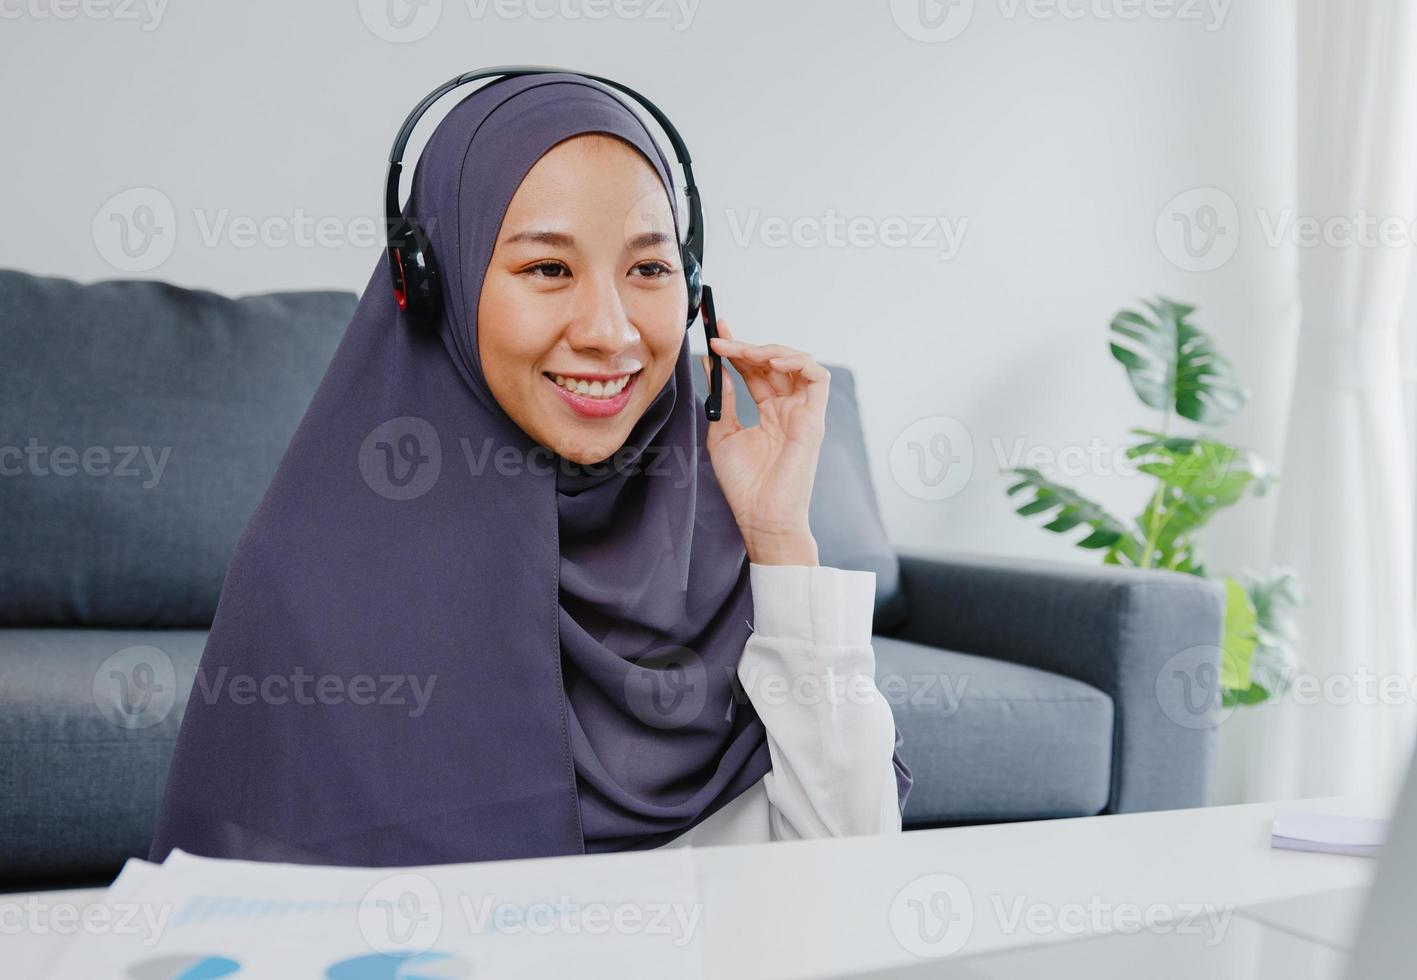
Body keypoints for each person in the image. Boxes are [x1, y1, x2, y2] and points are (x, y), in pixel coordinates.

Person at [147, 72, 911, 865]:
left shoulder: (730, 548)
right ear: (432, 282)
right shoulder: (312, 571)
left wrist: (781, 541)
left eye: (648, 270)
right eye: (548, 269)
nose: (611, 333)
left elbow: (853, 873)